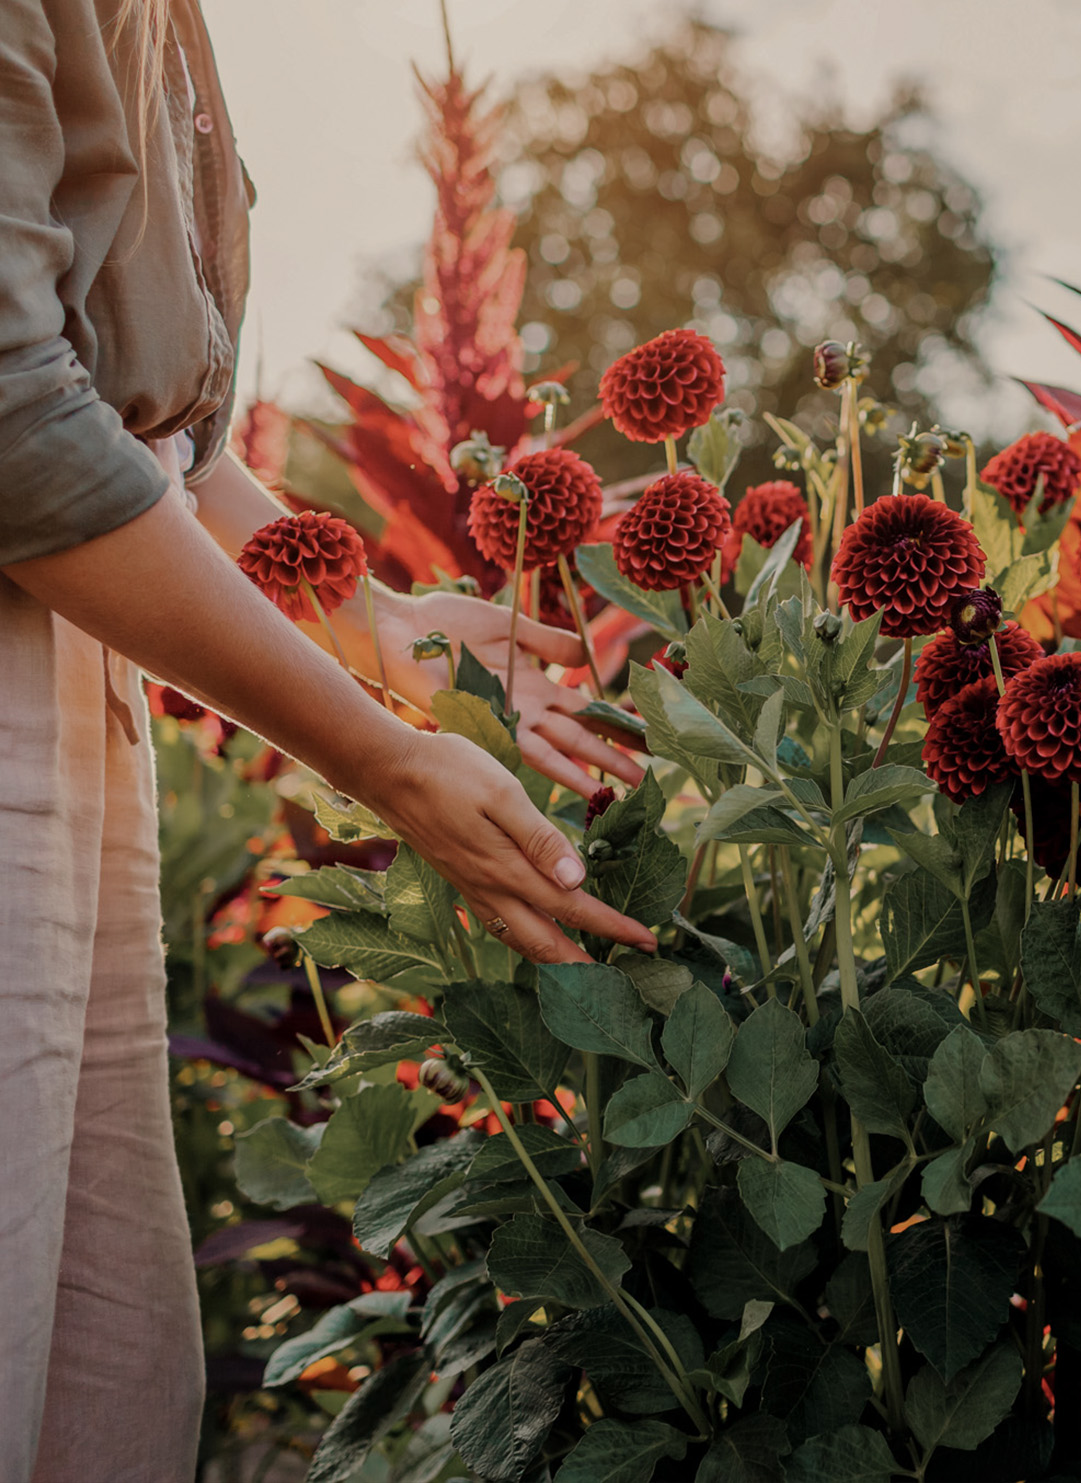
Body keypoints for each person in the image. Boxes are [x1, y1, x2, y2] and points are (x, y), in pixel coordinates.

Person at [0, 0, 653, 1476]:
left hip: (73, 651)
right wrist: (378, 757)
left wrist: (371, 620)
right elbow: (14, 428)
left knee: (94, 1372)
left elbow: (144, 423)